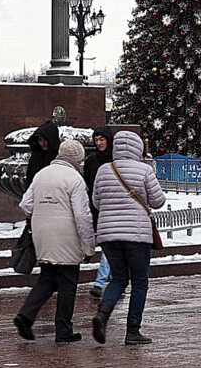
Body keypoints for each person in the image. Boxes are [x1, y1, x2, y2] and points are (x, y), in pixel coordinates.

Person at [14, 140, 95, 343]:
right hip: (66, 235)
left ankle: (26, 315)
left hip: (42, 233)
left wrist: (44, 213)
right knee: (68, 281)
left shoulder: (42, 173)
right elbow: (82, 215)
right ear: (78, 159)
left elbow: (25, 204)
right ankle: (63, 330)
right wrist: (88, 245)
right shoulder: (75, 179)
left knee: (48, 277)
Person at [91, 131, 167, 346]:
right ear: (138, 148)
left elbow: (96, 202)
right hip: (136, 234)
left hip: (108, 234)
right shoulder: (144, 170)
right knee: (140, 281)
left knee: (118, 278)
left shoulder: (104, 170)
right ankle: (133, 330)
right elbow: (158, 201)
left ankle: (103, 315)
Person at [83, 126, 114, 299]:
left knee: (109, 245)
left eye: (102, 139)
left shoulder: (115, 160)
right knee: (109, 245)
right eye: (96, 140)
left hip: (112, 208)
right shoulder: (91, 161)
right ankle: (117, 279)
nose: (99, 143)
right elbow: (87, 183)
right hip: (96, 207)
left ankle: (100, 282)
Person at [26, 120, 60, 187]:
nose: (43, 143)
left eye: (46, 140)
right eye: (40, 140)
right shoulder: (36, 156)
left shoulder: (59, 156)